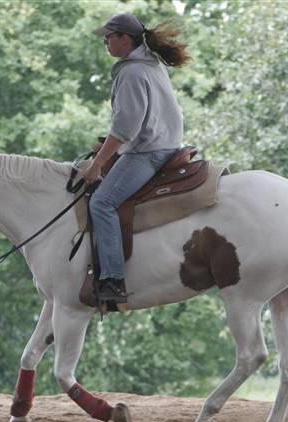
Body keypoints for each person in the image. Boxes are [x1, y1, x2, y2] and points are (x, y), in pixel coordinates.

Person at [80, 13, 190, 304]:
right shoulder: (150, 63)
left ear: (125, 39)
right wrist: (109, 145)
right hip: (164, 143)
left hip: (149, 152)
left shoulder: (131, 72)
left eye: (109, 36)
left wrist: (97, 164)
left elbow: (126, 127)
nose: (105, 41)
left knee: (101, 202)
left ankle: (112, 280)